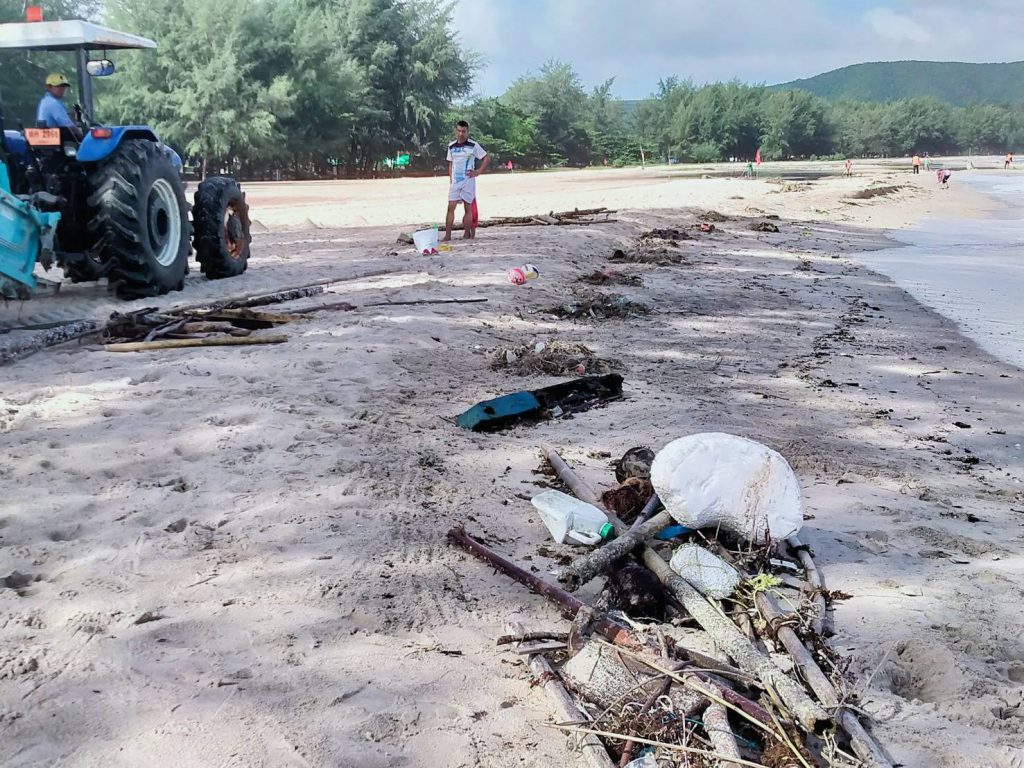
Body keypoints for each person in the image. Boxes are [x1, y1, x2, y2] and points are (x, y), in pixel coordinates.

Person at [443, 120, 489, 241]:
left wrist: (478, 172)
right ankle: (447, 235)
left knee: (467, 208)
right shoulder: (451, 146)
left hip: (468, 180)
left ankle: (467, 234)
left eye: (463, 131)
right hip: (455, 181)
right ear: (455, 131)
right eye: (459, 131)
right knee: (450, 207)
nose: (461, 134)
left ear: (467, 132)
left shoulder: (473, 145)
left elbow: (486, 158)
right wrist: (450, 179)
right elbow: (450, 163)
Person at [36, 73, 82, 140]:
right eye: (58, 86)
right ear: (49, 87)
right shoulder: (52, 102)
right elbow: (67, 125)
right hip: (54, 142)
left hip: (46, 139)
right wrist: (81, 133)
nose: (62, 89)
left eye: (64, 86)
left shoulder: (45, 101)